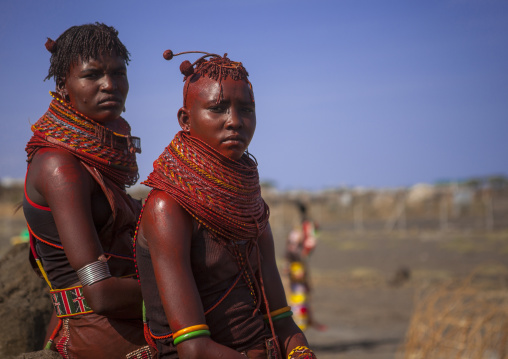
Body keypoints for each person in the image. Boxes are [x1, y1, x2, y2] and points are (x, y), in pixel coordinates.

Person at [134, 50, 316, 358]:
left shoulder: (250, 204)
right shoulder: (168, 207)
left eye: (246, 109)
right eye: (218, 109)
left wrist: (300, 352)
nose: (235, 122)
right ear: (185, 120)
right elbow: (195, 349)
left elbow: (282, 323)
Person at [23, 23, 150, 358]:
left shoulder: (95, 165)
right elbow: (101, 294)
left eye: (118, 73)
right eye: (92, 75)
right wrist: (188, 285)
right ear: (63, 84)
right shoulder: (60, 167)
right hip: (105, 343)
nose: (110, 85)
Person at [285, 203, 326, 332]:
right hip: (295, 265)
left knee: (300, 294)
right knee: (298, 294)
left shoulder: (304, 227)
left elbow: (309, 242)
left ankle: (304, 323)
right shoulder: (303, 228)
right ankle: (301, 324)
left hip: (296, 264)